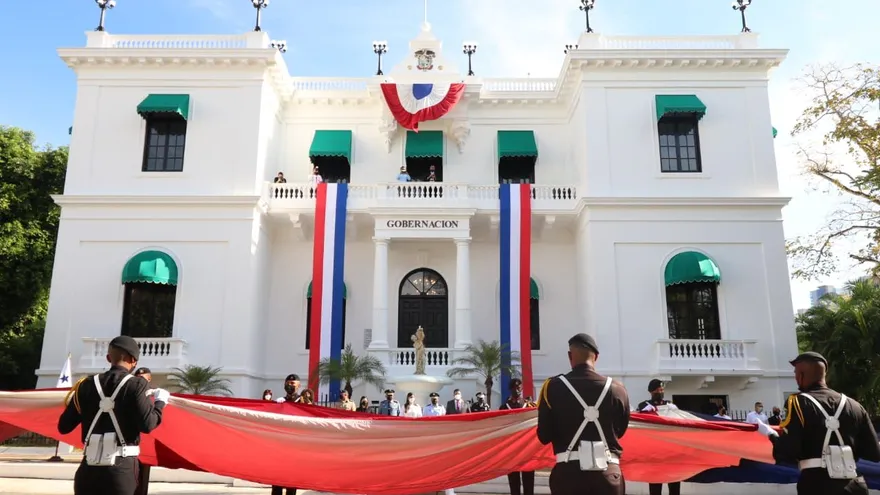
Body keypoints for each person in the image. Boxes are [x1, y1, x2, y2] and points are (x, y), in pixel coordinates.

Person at [756, 352, 880, 495]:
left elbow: (788, 451)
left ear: (801, 375)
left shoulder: (797, 402)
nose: (795, 377)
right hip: (854, 485)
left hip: (818, 485)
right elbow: (874, 454)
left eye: (796, 373)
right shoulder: (855, 406)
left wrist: (771, 434)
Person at [58, 336, 168, 495]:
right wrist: (160, 402)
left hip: (88, 470)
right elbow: (148, 424)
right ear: (133, 361)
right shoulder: (136, 384)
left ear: (109, 358)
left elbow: (64, 427)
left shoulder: (86, 385)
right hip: (120, 471)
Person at [537, 333, 631, 495]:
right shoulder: (618, 389)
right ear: (597, 357)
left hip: (568, 476)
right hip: (608, 475)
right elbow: (620, 431)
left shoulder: (551, 387)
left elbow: (544, 435)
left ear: (569, 356)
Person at [638, 380, 680, 495]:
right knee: (655, 486)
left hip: (671, 450)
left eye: (661, 390)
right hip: (654, 452)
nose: (660, 392)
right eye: (657, 390)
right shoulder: (644, 405)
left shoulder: (669, 405)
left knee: (674, 484)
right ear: (651, 391)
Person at [501, 379, 535, 495]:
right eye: (515, 388)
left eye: (519, 388)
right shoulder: (504, 407)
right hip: (511, 449)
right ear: (510, 390)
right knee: (514, 482)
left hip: (527, 448)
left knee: (528, 482)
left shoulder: (529, 405)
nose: (518, 390)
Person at [272, 374, 301, 495]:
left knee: (291, 482)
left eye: (292, 384)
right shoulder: (280, 401)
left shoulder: (303, 401)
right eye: (288, 383)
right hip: (280, 445)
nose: (290, 385)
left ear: (298, 385)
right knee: (276, 481)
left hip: (295, 446)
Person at [132, 367, 154, 495]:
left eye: (143, 378)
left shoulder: (153, 394)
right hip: (131, 444)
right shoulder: (130, 392)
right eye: (138, 378)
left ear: (149, 378)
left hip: (147, 442)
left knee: (142, 478)